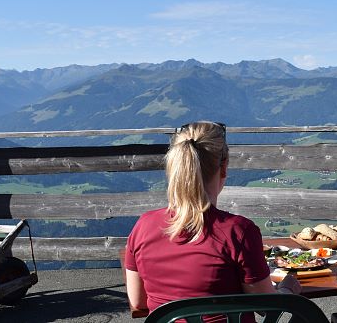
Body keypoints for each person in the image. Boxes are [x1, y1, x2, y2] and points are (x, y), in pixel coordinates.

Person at [124, 121, 300, 322]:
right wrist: (287, 289)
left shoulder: (143, 226)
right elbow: (268, 308)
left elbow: (137, 302)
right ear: (223, 167)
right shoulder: (239, 232)